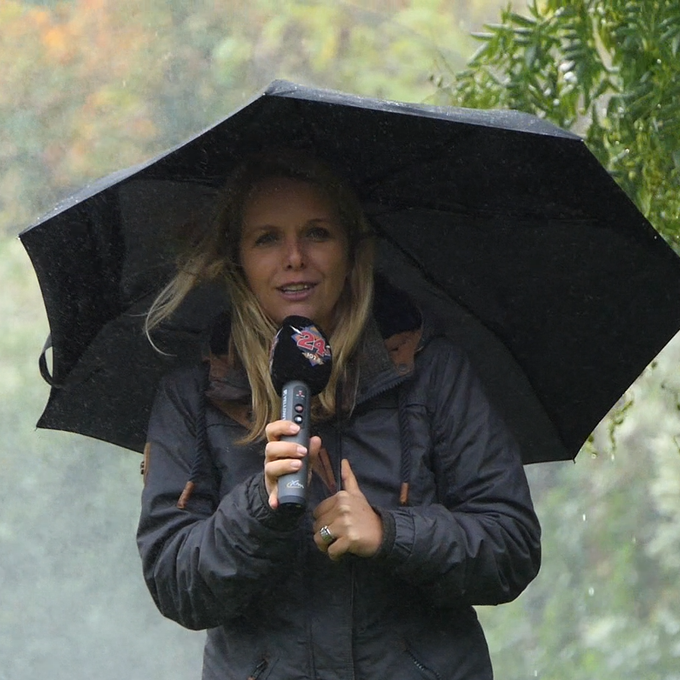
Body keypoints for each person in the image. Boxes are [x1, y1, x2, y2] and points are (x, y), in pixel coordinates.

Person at [137, 150, 541, 680]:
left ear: (352, 251)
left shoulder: (430, 372)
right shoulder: (191, 395)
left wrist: (391, 534)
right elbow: (176, 584)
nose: (295, 257)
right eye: (267, 239)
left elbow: (510, 546)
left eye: (318, 233)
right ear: (237, 261)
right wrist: (262, 506)